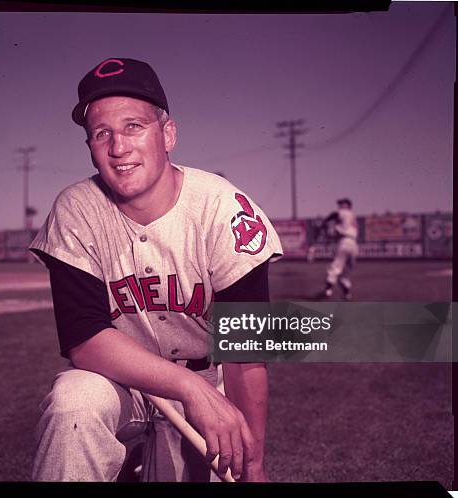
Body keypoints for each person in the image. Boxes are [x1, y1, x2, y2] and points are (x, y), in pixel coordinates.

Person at [29, 57, 283, 482]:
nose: (118, 147)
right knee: (74, 402)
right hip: (119, 382)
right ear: (90, 146)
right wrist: (187, 388)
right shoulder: (76, 209)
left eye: (133, 126)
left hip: (209, 381)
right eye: (101, 133)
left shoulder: (223, 208)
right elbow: (85, 340)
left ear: (167, 134)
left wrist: (252, 462)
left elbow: (244, 354)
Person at [318, 198, 358, 300]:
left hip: (345, 242)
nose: (339, 206)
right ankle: (347, 294)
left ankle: (327, 291)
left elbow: (333, 215)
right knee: (345, 273)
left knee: (335, 267)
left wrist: (324, 222)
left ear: (348, 205)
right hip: (354, 244)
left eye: (342, 204)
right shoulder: (352, 216)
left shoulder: (345, 212)